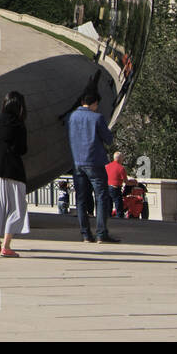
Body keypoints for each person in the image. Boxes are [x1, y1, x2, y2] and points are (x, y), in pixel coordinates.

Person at [68, 89, 120, 243]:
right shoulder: (97, 117)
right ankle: (101, 233)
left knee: (81, 198)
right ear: (93, 103)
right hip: (94, 162)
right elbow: (108, 139)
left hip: (77, 162)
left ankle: (85, 234)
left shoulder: (72, 117)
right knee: (102, 196)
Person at [0, 91, 30, 257]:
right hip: (13, 171)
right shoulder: (19, 125)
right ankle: (6, 245)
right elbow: (22, 149)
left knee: (1, 207)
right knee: (17, 208)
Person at [105, 151, 128, 220]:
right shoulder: (121, 168)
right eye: (122, 158)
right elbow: (126, 181)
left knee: (109, 205)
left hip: (107, 187)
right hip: (115, 188)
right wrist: (134, 182)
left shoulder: (107, 166)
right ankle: (119, 219)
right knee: (119, 205)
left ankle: (108, 218)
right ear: (120, 159)